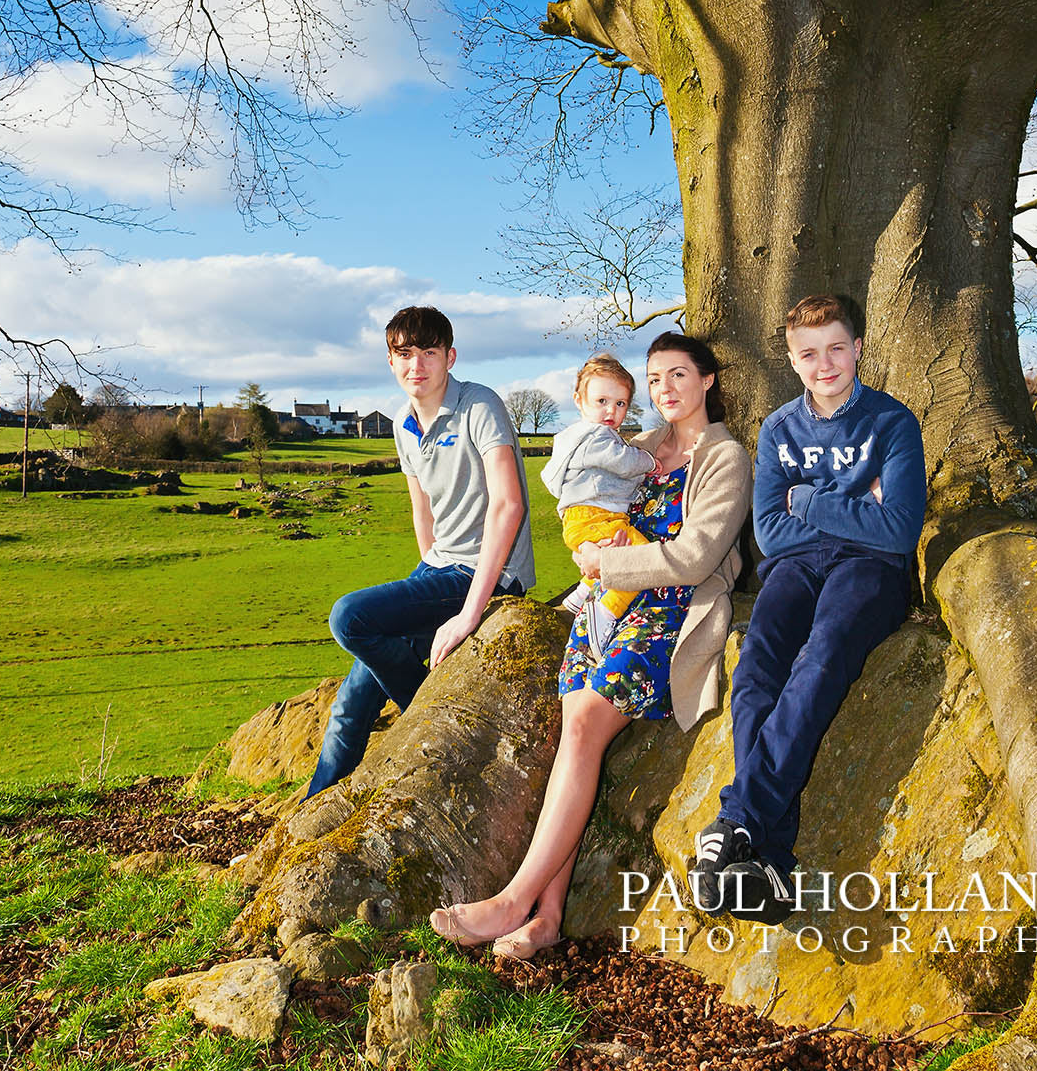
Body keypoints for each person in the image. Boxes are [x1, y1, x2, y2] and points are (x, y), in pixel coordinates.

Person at [430, 332, 752, 958]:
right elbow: (580, 503)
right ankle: (547, 919)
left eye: (678, 375)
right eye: (655, 379)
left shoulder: (726, 457)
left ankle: (513, 900)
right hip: (605, 606)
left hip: (669, 612)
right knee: (572, 730)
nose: (665, 390)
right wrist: (583, 552)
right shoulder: (635, 447)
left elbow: (696, 557)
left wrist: (612, 567)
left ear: (707, 381)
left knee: (581, 728)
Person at [692, 294, 925, 921]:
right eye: (808, 354)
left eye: (836, 349)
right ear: (792, 360)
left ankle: (739, 822)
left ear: (857, 348)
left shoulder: (892, 423)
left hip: (870, 572)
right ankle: (766, 865)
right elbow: (768, 532)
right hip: (794, 568)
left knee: (820, 658)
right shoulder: (779, 429)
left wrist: (812, 503)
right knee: (758, 668)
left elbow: (899, 531)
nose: (825, 365)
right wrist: (856, 509)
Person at [303, 305, 535, 798]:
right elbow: (421, 512)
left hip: (488, 571)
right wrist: (424, 577)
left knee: (350, 618)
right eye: (404, 354)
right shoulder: (402, 423)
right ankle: (313, 811)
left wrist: (471, 612)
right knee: (351, 701)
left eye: (429, 352)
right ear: (390, 362)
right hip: (438, 568)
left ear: (450, 357)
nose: (417, 365)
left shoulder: (479, 405)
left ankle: (424, 711)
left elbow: (508, 506)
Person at [542, 353, 660, 659]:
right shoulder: (596, 436)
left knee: (617, 552)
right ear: (579, 401)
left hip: (582, 518)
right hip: (594, 515)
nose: (612, 411)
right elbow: (622, 462)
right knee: (639, 556)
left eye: (620, 403)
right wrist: (648, 461)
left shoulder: (577, 437)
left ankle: (581, 594)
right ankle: (604, 613)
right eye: (602, 401)